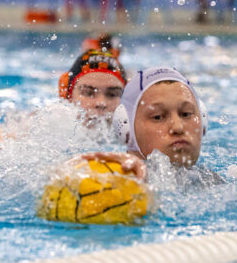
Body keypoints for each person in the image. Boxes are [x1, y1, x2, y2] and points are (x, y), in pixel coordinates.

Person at [82, 67, 219, 184]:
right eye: (158, 117)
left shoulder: (211, 182)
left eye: (186, 114)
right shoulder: (107, 180)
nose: (178, 127)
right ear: (126, 127)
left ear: (203, 120)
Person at [0, 49, 127, 149]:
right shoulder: (51, 122)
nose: (101, 103)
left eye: (112, 94)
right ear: (68, 95)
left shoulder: (134, 131)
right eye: (88, 93)